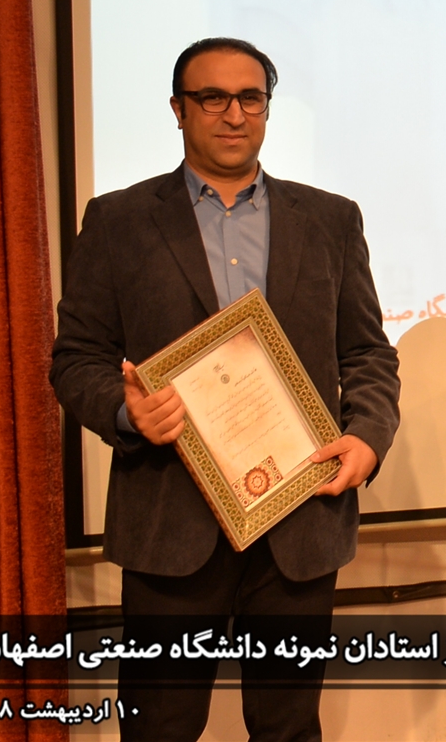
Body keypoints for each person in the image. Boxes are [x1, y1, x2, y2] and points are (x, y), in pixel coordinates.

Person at [50, 37, 401, 741]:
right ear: (178, 109)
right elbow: (76, 358)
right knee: (159, 728)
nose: (234, 114)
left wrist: (367, 435)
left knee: (289, 728)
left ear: (267, 108)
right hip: (169, 524)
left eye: (250, 98)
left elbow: (366, 352)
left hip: (301, 520)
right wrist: (125, 411)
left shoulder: (331, 219)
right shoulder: (118, 220)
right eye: (212, 98)